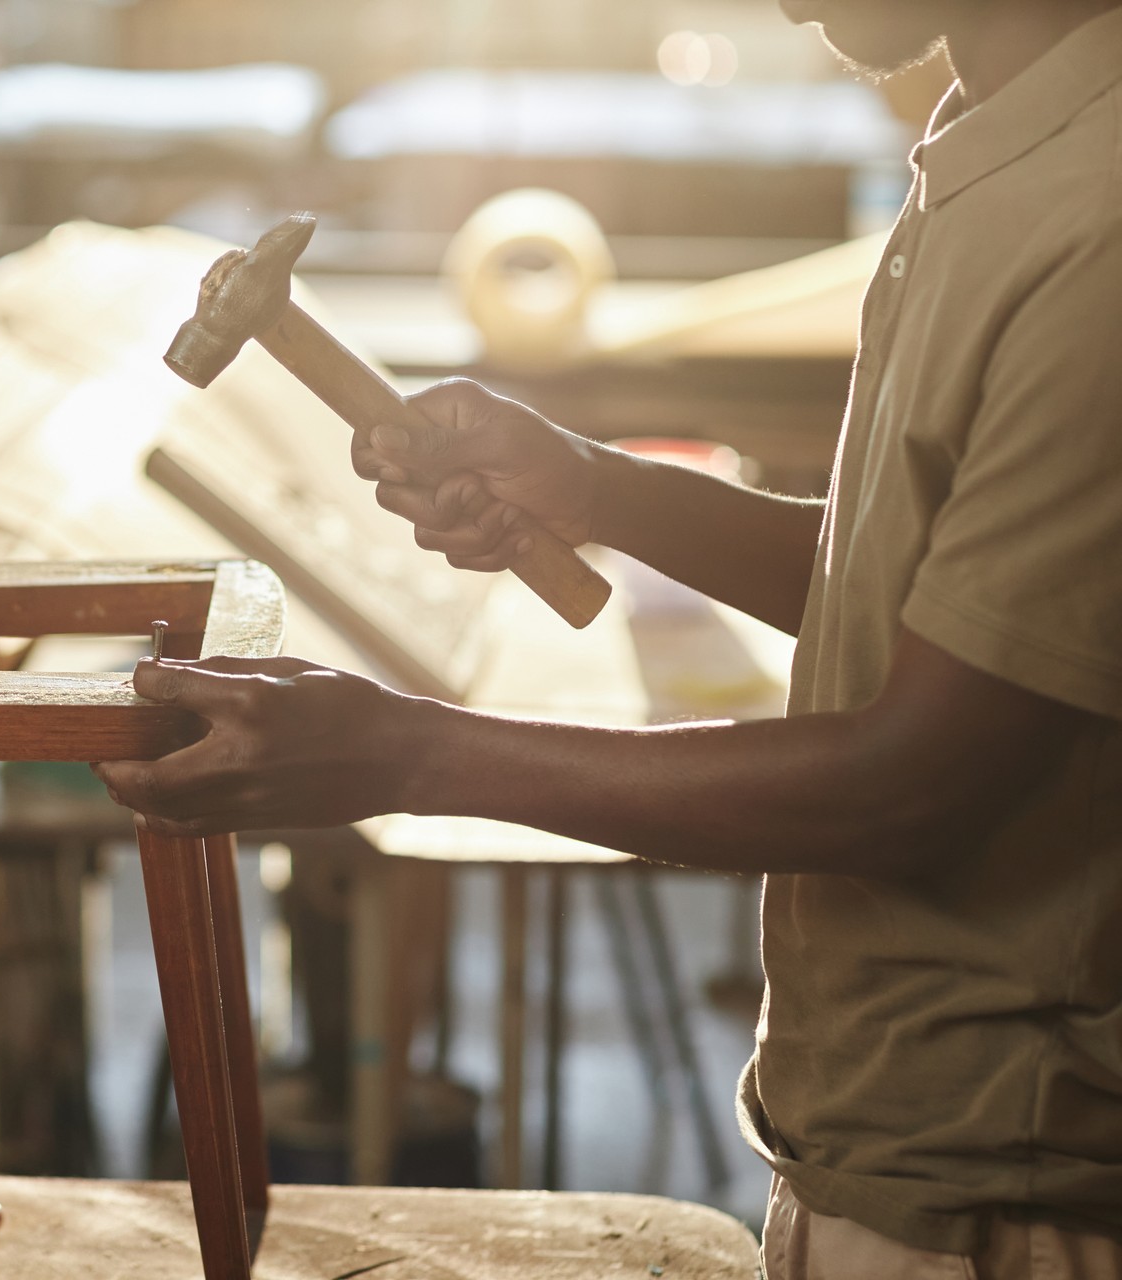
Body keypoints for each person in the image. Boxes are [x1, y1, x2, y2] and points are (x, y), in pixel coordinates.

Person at [94, 2, 1122, 1275]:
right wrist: (599, 488)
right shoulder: (995, 136)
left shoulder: (1099, 220)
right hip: (886, 1137)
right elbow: (928, 591)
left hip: (1007, 1196)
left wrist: (411, 757)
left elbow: (911, 783)